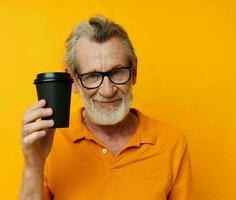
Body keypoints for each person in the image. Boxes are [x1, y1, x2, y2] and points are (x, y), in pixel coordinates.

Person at [19, 15, 192, 200]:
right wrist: (34, 163)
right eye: (92, 76)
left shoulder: (171, 143)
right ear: (73, 81)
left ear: (134, 72)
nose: (108, 91)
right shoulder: (50, 142)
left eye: (117, 72)